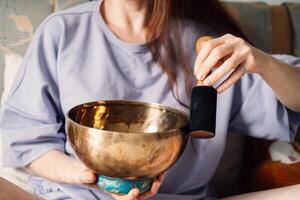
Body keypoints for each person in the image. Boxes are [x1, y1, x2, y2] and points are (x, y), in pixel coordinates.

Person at [0, 0, 300, 199]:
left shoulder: (211, 48)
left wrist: (263, 62)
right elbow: (27, 142)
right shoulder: (61, 31)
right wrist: (88, 177)